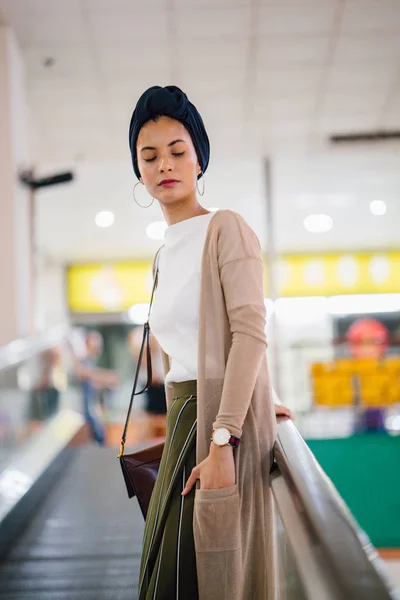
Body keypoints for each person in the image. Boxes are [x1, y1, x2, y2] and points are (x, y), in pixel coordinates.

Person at [128, 85, 290, 600]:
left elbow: (250, 332)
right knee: (168, 575)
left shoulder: (225, 229)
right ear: (138, 170)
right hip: (182, 420)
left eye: (178, 151)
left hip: (218, 428)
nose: (164, 165)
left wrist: (228, 434)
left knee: (202, 576)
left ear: (199, 158)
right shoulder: (162, 253)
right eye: (149, 156)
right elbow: (194, 343)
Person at [74, 330, 119, 445]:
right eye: (94, 347)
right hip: (80, 412)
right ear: (87, 344)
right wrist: (106, 377)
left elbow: (93, 382)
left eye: (99, 347)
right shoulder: (82, 362)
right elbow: (84, 373)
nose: (97, 350)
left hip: (91, 410)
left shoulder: (90, 362)